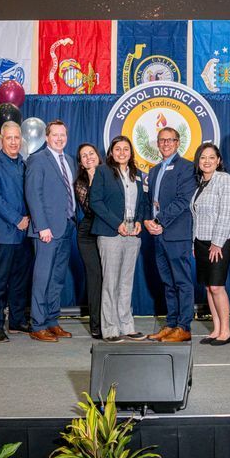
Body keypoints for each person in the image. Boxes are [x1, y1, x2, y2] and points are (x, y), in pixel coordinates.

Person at [89, 136, 148, 343]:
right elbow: (95, 201)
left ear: (131, 152)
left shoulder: (136, 174)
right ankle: (110, 329)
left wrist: (139, 221)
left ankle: (126, 326)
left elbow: (143, 202)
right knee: (111, 282)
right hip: (110, 234)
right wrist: (117, 224)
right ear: (111, 152)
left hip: (132, 235)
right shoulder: (103, 172)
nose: (122, 152)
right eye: (118, 149)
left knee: (126, 282)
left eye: (126, 149)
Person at [144, 127, 198, 343]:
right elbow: (151, 202)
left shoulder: (187, 167)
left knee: (182, 282)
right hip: (158, 236)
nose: (165, 144)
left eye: (170, 140)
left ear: (177, 143)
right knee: (168, 282)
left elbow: (183, 200)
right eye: (162, 140)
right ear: (157, 144)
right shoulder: (154, 170)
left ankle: (184, 327)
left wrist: (159, 221)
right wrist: (149, 221)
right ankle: (171, 324)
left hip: (177, 234)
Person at [25, 119, 77, 343]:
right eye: (55, 134)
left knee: (57, 278)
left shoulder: (70, 160)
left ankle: (52, 320)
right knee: (42, 277)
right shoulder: (37, 159)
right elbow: (33, 194)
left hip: (66, 226)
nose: (59, 138)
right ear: (47, 137)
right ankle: (37, 324)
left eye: (62, 134)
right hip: (46, 230)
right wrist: (42, 226)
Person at [0, 121, 32, 342]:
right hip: (3, 233)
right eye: (9, 138)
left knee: (20, 280)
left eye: (16, 138)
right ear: (2, 140)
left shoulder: (25, 164)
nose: (13, 142)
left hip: (25, 233)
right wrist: (17, 219)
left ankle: (17, 320)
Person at [191, 143, 230, 346]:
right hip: (201, 241)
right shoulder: (201, 183)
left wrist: (217, 243)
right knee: (209, 287)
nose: (207, 161)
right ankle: (216, 329)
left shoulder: (224, 179)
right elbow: (196, 217)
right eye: (203, 157)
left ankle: (226, 331)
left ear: (218, 161)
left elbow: (227, 213)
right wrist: (194, 243)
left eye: (211, 157)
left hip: (220, 241)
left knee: (217, 286)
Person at [74, 143, 104, 340]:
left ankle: (111, 320)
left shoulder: (111, 176)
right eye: (84, 156)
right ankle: (96, 325)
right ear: (81, 162)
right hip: (88, 233)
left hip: (108, 231)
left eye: (91, 153)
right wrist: (93, 177)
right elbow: (91, 207)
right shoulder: (81, 182)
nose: (88, 157)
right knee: (95, 278)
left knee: (110, 278)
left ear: (98, 156)